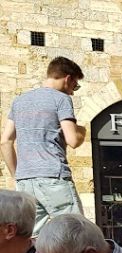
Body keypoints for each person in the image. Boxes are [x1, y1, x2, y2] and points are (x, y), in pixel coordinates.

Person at [0, 57, 85, 235]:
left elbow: (5, 141)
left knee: (31, 238)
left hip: (25, 181)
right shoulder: (61, 99)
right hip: (53, 175)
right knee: (77, 233)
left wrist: (18, 175)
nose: (73, 92)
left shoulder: (19, 101)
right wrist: (82, 131)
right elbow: (73, 140)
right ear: (67, 79)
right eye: (74, 86)